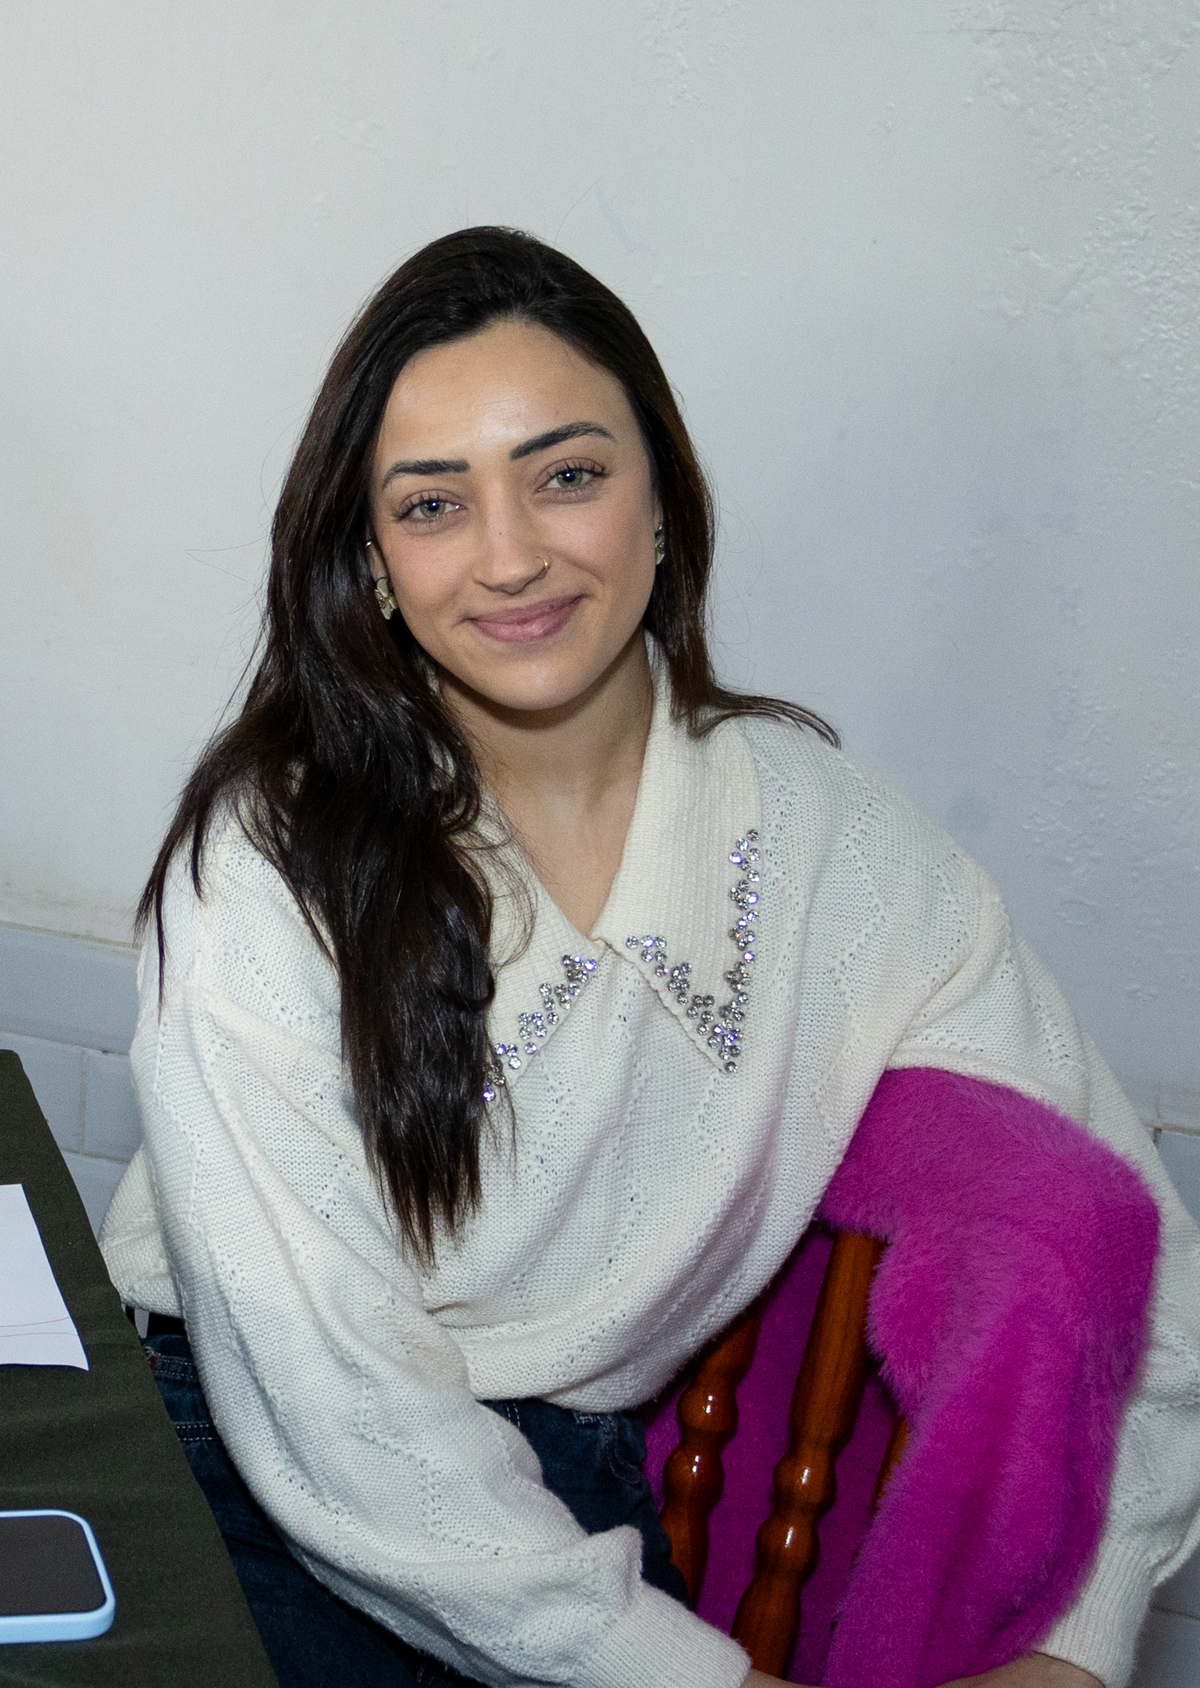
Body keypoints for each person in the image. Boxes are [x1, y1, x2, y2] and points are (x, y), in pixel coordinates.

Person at [100, 228, 1200, 1688]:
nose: (510, 555)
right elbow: (334, 1414)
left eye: (566, 475)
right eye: (433, 503)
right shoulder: (265, 860)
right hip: (246, 1470)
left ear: (665, 503)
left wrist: (1077, 1640)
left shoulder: (829, 846)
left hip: (572, 1498)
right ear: (371, 561)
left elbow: (1136, 1257)